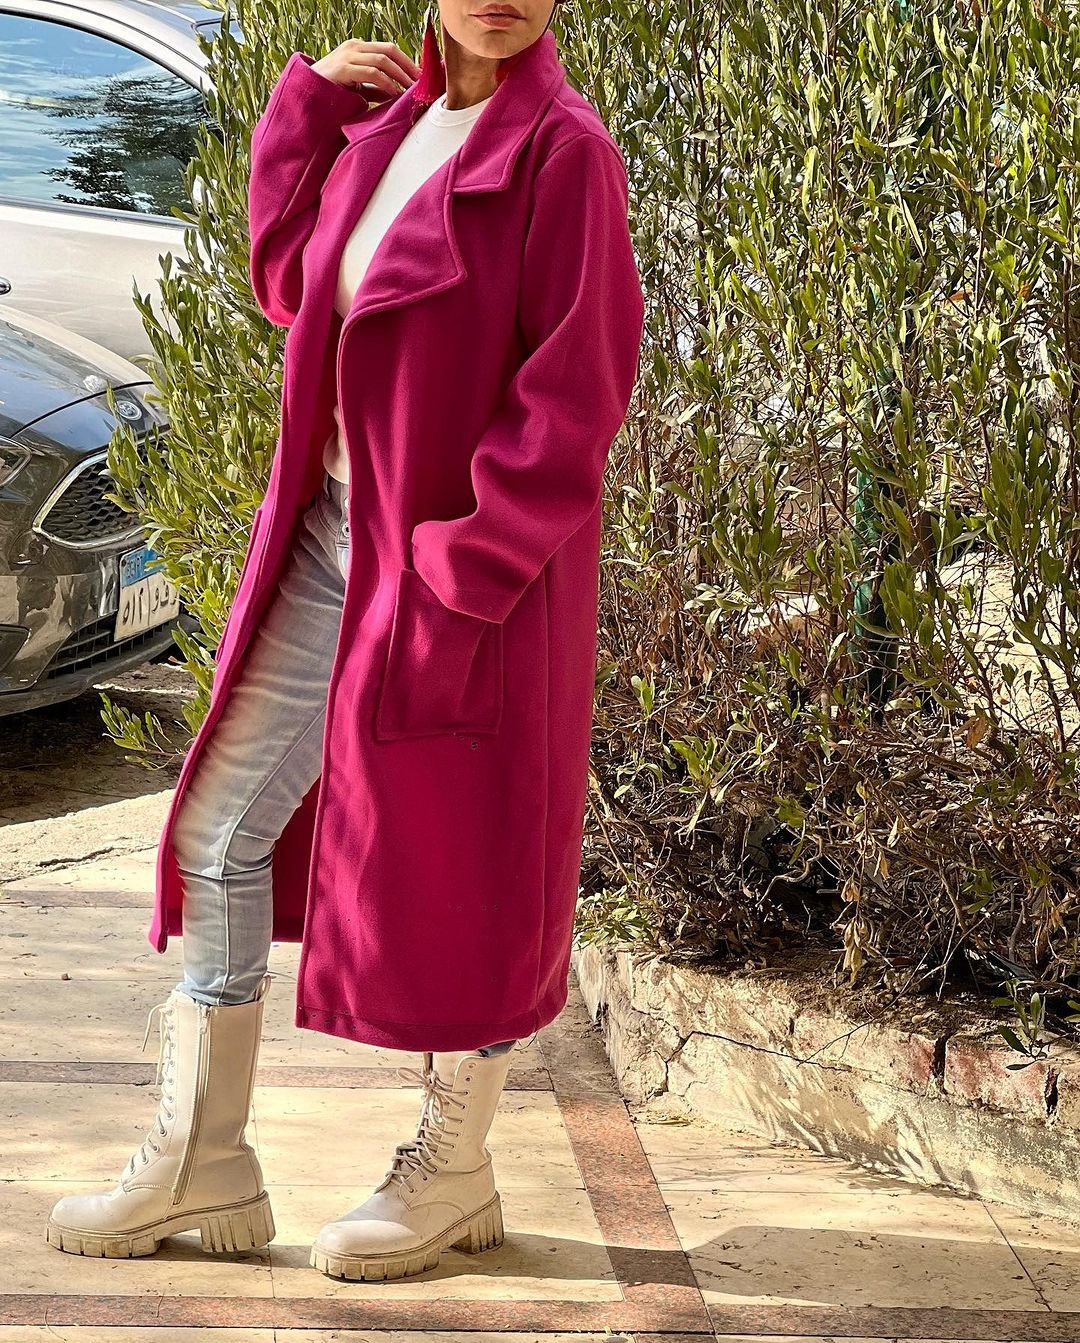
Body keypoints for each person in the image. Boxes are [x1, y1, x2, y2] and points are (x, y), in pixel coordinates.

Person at [46, 0, 645, 1282]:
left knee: (472, 863)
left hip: (459, 583)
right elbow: (285, 282)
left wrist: (455, 572)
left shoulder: (565, 154)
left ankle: (455, 1167)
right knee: (217, 831)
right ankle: (205, 1162)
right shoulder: (388, 131)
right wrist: (307, 104)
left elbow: (574, 397)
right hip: (327, 545)